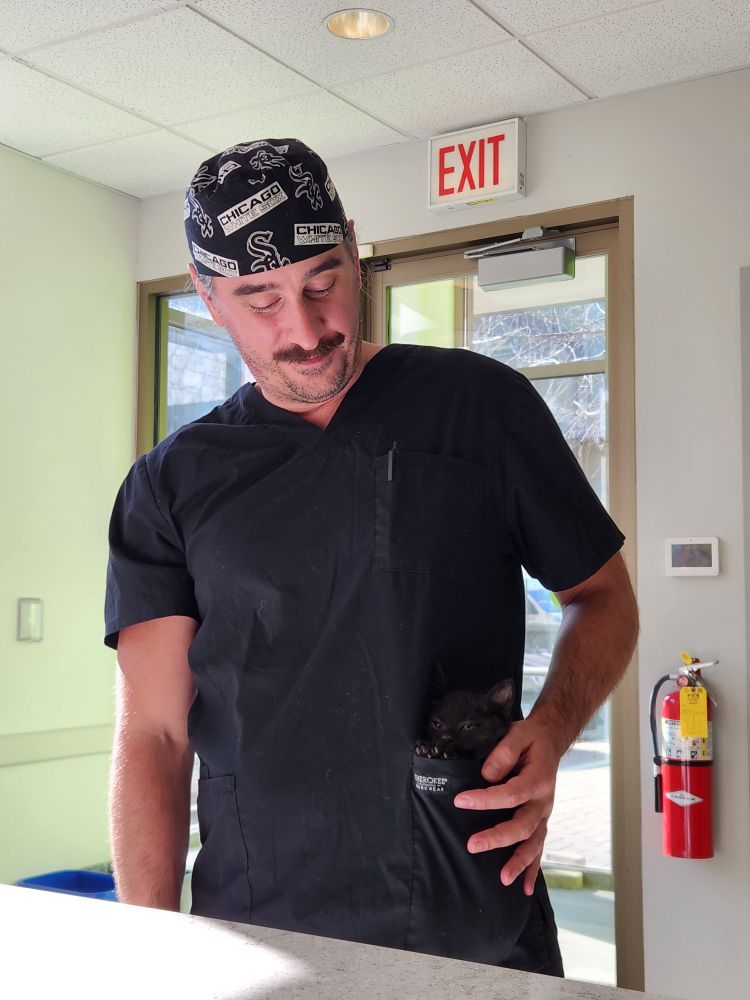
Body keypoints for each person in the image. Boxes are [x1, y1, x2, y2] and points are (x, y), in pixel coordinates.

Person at [105, 138, 638, 975]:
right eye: (261, 299)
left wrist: (555, 725)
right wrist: (147, 951)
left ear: (355, 251)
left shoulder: (480, 407)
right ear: (208, 295)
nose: (304, 329)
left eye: (322, 282)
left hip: (475, 916)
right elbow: (156, 734)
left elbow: (603, 596)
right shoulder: (169, 486)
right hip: (262, 930)